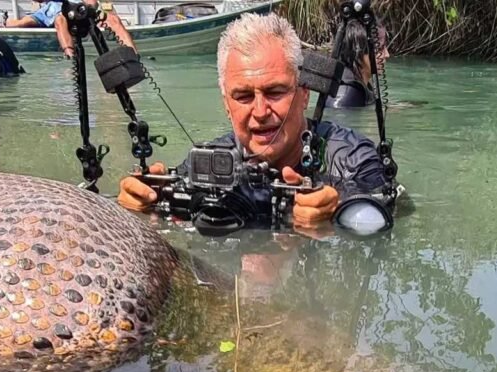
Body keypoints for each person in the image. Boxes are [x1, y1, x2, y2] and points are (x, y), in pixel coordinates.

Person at [117, 12, 395, 236]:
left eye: (275, 92)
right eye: (243, 96)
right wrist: (139, 207)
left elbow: (385, 212)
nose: (260, 111)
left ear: (303, 94)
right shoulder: (210, 163)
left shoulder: (351, 158)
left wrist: (335, 212)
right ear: (226, 104)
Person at [4, 0, 135, 58]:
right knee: (58, 20)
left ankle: (134, 55)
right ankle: (70, 56)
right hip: (54, 12)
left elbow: (92, 3)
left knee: (113, 19)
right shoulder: (49, 7)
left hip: (81, 12)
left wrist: (90, 10)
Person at [326, 18, 390, 109]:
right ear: (358, 52)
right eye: (380, 48)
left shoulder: (360, 86)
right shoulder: (347, 97)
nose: (387, 54)